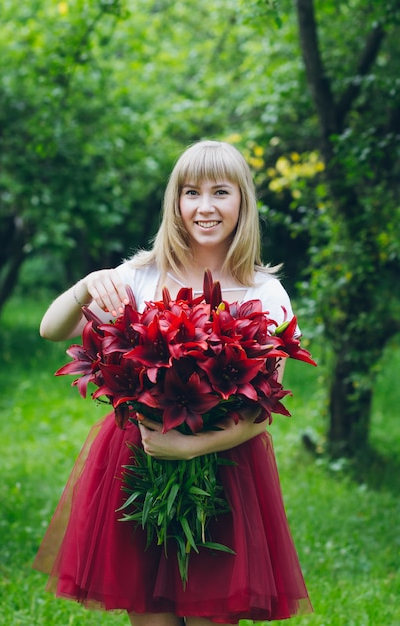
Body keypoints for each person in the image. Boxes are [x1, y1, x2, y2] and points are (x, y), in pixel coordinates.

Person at [34, 140, 313, 625]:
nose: (205, 207)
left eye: (220, 192)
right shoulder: (141, 276)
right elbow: (51, 329)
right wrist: (86, 285)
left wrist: (190, 449)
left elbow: (260, 410)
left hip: (222, 472)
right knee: (149, 612)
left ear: (242, 202)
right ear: (175, 203)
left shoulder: (266, 293)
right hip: (139, 463)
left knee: (209, 612)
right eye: (191, 193)